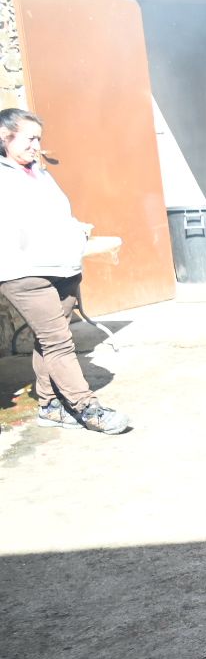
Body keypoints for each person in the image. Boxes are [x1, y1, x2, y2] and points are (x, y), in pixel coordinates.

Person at [0, 108, 132, 435]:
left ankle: (49, 405)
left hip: (61, 267)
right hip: (25, 272)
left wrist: (76, 234)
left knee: (51, 340)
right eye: (29, 137)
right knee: (58, 341)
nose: (36, 144)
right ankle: (87, 408)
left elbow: (58, 216)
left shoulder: (40, 173)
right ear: (6, 137)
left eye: (38, 138)